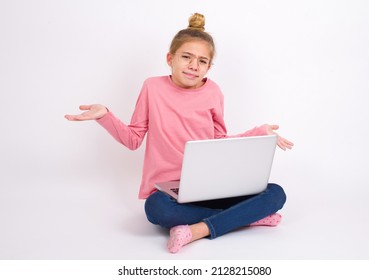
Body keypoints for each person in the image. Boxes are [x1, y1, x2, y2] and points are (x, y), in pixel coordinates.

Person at [65, 13, 294, 253]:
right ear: (170, 58)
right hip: (171, 192)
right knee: (156, 209)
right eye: (186, 57)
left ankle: (195, 230)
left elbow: (218, 142)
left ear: (209, 67)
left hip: (211, 185)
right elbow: (133, 139)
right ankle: (246, 217)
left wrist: (259, 133)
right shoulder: (152, 88)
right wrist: (105, 116)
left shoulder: (214, 91)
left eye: (202, 61)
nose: (194, 66)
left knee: (276, 194)